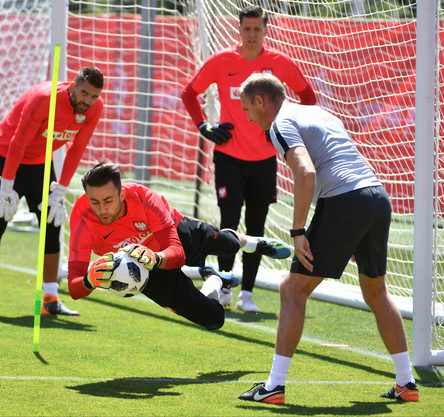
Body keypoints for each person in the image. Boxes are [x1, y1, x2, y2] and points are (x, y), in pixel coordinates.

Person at [236, 73, 418, 404]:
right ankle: (406, 382)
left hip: (346, 201)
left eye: (248, 109)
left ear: (260, 101)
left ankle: (274, 386)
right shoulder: (318, 112)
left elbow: (307, 172)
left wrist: (298, 231)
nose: (249, 117)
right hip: (376, 197)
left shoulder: (280, 123)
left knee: (292, 289)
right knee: (376, 292)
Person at [181, 5, 316, 313]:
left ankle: (248, 294)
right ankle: (226, 287)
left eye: (257, 29)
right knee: (229, 224)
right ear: (238, 30)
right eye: (247, 28)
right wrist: (204, 126)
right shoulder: (221, 61)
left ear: (265, 30)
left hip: (265, 160)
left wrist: (285, 126)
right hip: (228, 158)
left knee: (257, 227)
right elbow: (189, 93)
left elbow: (308, 96)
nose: (252, 34)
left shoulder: (279, 63)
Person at [66, 159, 291, 330]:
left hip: (176, 234)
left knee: (230, 244)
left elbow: (177, 253)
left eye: (108, 201)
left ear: (122, 194)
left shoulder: (145, 198)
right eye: (95, 202)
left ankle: (250, 242)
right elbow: (74, 288)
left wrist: (155, 257)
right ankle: (214, 278)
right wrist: (89, 280)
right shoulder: (81, 219)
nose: (102, 210)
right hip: (146, 273)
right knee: (214, 320)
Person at [0, 67, 104, 318]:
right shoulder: (44, 100)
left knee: (52, 223)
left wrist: (61, 190)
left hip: (40, 164)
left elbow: (77, 148)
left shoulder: (94, 109)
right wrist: (7, 186)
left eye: (94, 96)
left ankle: (50, 299)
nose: (87, 100)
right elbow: (17, 143)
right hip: (6, 156)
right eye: (84, 93)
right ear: (72, 87)